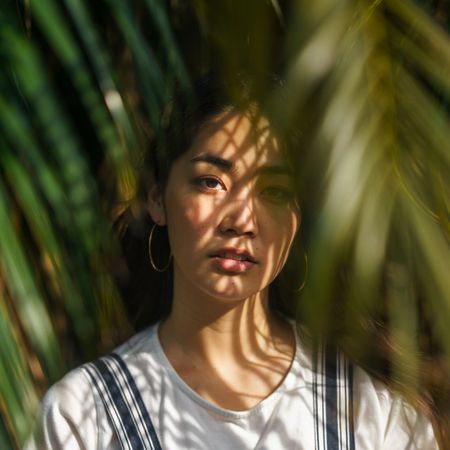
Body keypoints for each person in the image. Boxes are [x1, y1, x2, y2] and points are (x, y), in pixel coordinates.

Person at [26, 73, 440, 450]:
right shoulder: (85, 418)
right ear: (157, 198)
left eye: (274, 191)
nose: (242, 220)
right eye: (211, 182)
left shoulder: (373, 412)